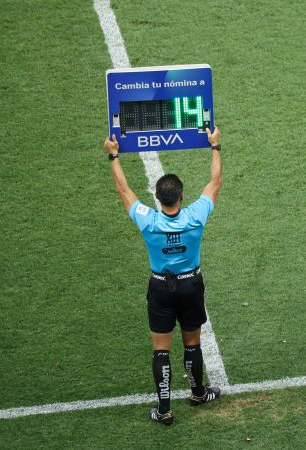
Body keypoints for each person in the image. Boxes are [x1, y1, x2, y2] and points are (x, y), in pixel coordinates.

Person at [103, 127, 223, 425]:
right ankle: (197, 393)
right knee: (192, 341)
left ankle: (165, 409)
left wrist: (114, 155)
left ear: (156, 197)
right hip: (191, 285)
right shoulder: (196, 216)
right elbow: (215, 181)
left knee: (161, 349)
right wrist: (215, 147)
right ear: (182, 196)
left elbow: (124, 190)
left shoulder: (149, 221)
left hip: (160, 288)